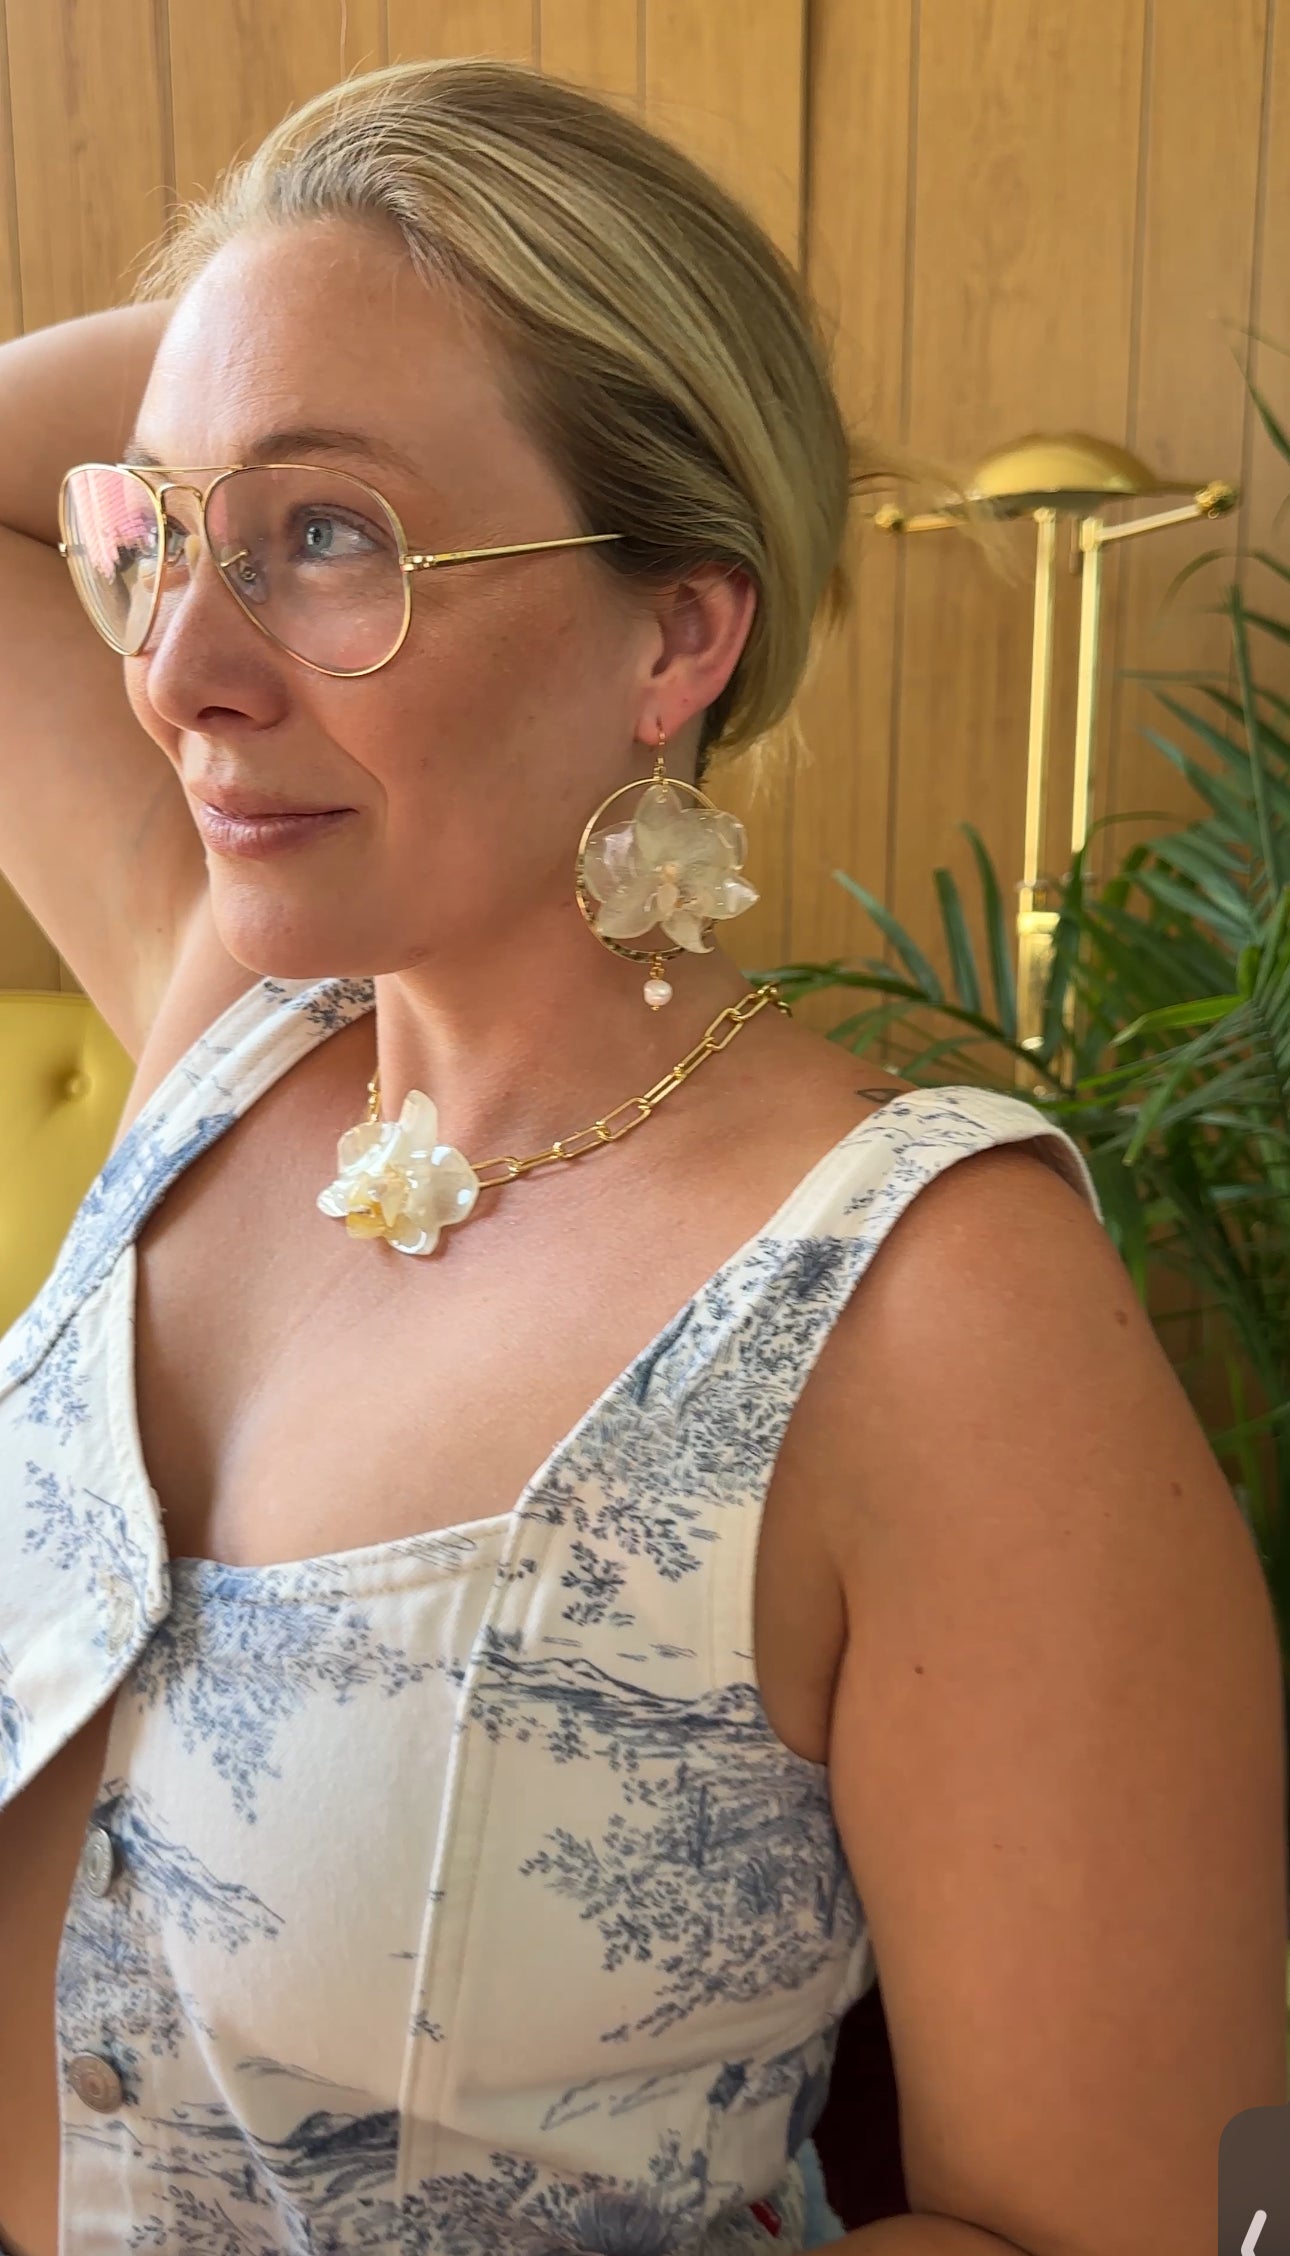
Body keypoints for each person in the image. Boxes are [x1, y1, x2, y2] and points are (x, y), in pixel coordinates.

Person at [0, 54, 1282, 2256]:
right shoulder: (233, 1034)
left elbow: (1137, 2224)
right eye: (167, 537)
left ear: (679, 631)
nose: (183, 670)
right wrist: (293, 304)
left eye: (330, 538)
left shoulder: (927, 1312)